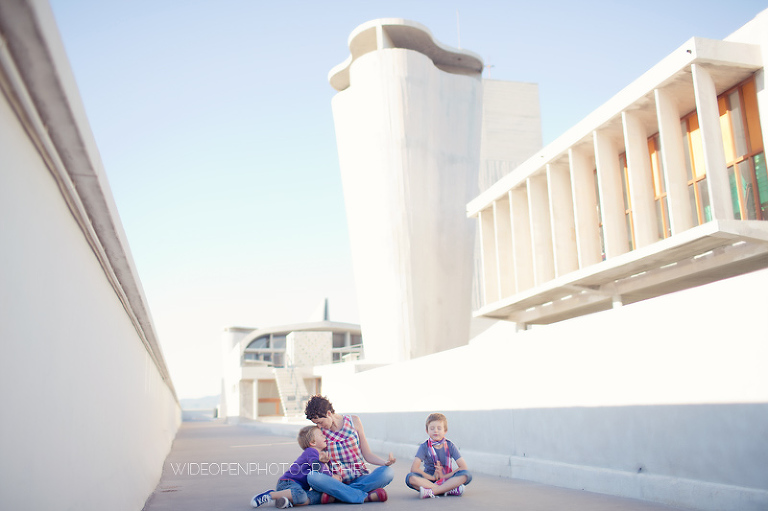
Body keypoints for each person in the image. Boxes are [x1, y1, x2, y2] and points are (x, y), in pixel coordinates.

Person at [304, 395, 394, 504]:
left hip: (360, 478)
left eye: (320, 422)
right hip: (336, 481)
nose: (318, 426)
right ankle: (361, 495)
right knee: (312, 477)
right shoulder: (319, 433)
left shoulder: (354, 421)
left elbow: (367, 454)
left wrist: (385, 462)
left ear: (328, 413)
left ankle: (338, 495)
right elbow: (316, 462)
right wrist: (321, 461)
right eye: (316, 423)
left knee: (387, 472)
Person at [251, 425, 335, 508]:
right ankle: (270, 495)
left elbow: (321, 473)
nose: (324, 436)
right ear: (313, 443)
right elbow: (317, 468)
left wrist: (329, 473)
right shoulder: (311, 451)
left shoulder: (319, 454)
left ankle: (286, 501)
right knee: (301, 495)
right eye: (321, 435)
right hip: (288, 483)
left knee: (317, 495)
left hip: (298, 488)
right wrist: (329, 472)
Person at [405, 412, 472, 499]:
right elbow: (414, 468)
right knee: (410, 478)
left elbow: (463, 467)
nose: (435, 431)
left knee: (466, 474)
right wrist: (432, 477)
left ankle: (433, 491)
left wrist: (444, 476)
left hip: (448, 479)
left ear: (445, 431)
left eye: (439, 428)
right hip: (429, 480)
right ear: (427, 431)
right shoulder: (424, 446)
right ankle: (448, 490)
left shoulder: (450, 445)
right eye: (432, 428)